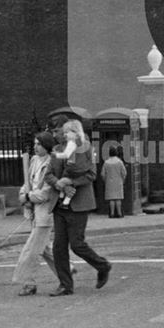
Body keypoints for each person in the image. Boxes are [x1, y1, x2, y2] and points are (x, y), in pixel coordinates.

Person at [45, 120, 112, 295]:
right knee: (58, 247)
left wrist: (72, 182)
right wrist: (59, 184)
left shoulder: (86, 149)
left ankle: (102, 266)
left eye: (59, 131)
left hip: (79, 204)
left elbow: (91, 175)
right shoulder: (58, 150)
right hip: (59, 205)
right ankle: (66, 285)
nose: (57, 135)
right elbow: (48, 174)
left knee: (77, 244)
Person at [13, 131, 60, 296]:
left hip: (45, 215)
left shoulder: (52, 164)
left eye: (38, 144)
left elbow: (46, 192)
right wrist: (22, 194)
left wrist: (28, 197)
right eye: (34, 143)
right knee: (46, 250)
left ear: (46, 146)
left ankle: (28, 283)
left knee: (31, 250)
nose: (35, 147)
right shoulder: (33, 160)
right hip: (33, 212)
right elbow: (28, 182)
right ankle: (67, 273)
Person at [101, 148, 127, 219]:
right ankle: (119, 213)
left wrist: (105, 180)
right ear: (116, 153)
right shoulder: (119, 162)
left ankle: (112, 214)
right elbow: (124, 172)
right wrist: (123, 179)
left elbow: (103, 174)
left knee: (111, 199)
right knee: (118, 198)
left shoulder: (106, 162)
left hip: (109, 182)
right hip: (118, 182)